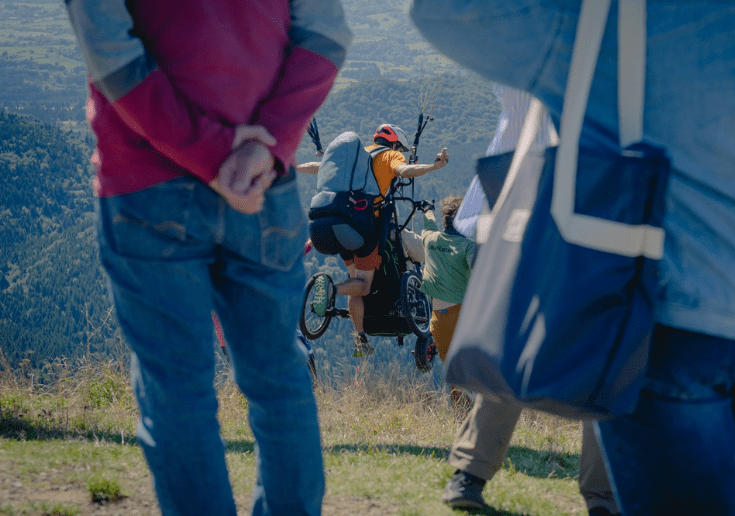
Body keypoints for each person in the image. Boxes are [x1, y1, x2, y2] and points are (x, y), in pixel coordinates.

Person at [410, 1, 735, 514]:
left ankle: (503, 478)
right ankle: (592, 493)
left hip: (656, 284)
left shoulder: (612, 17)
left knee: (582, 349)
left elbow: (442, 14)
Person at [64, 0, 350, 514]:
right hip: (264, 184)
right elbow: (326, 35)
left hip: (148, 180)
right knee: (279, 381)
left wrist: (209, 152)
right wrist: (267, 145)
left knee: (176, 390)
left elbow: (108, 47)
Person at [441, 85, 620, 515]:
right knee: (599, 351)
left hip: (528, 206)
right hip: (592, 203)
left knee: (516, 342)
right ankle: (602, 497)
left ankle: (470, 472)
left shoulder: (540, 43)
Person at [313, 124, 448, 357]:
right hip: (367, 228)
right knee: (363, 285)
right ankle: (331, 289)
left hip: (343, 224)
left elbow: (319, 166)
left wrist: (289, 166)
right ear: (395, 144)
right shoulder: (390, 155)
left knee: (355, 284)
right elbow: (404, 171)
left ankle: (360, 338)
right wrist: (434, 166)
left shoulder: (359, 153)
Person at [417, 196, 476, 405]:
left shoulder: (431, 240)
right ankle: (478, 419)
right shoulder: (468, 246)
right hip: (463, 316)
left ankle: (462, 424)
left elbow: (428, 224)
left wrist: (427, 209)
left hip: (438, 322)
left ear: (446, 221)